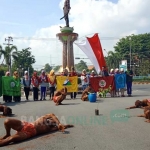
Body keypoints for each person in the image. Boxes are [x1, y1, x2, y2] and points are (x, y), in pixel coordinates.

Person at [0, 113, 74, 147]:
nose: (52, 122)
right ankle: (7, 133)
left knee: (10, 139)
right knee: (7, 121)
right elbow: (52, 115)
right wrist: (59, 123)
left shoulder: (52, 128)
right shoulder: (45, 117)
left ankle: (7, 138)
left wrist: (65, 126)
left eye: (53, 123)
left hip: (30, 133)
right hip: (25, 124)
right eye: (52, 121)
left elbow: (62, 127)